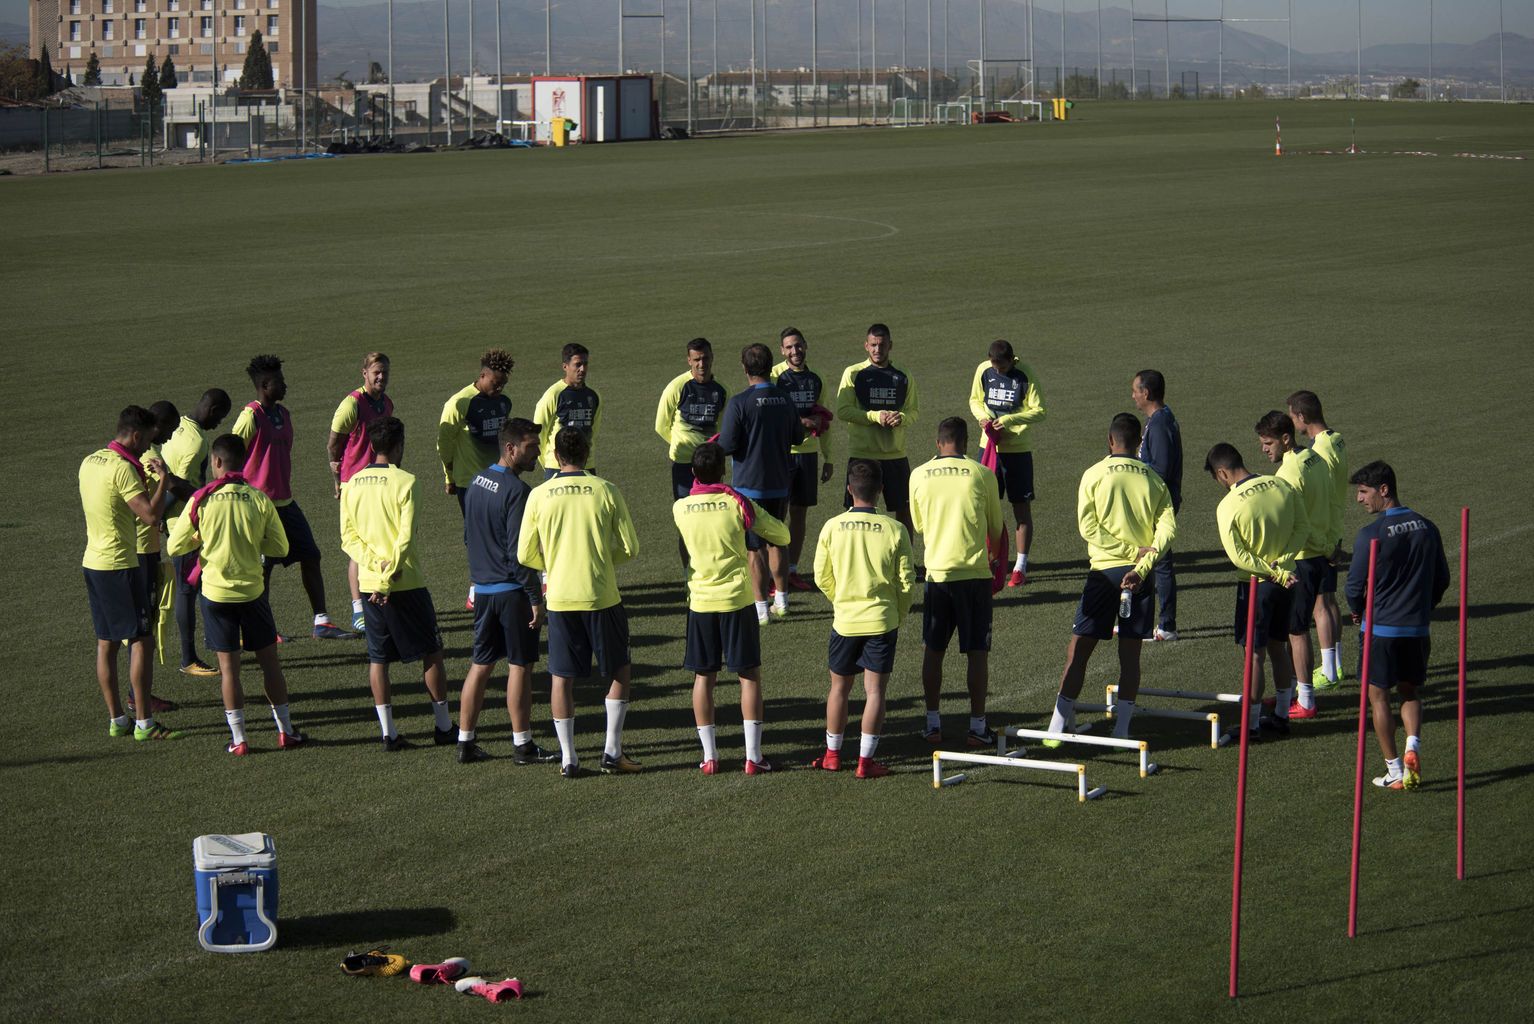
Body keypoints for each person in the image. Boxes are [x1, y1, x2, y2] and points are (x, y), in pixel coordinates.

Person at [166, 433, 307, 755]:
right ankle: (286, 731)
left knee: (229, 671)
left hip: (215, 596)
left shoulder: (201, 499)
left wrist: (201, 539)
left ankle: (240, 739)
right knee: (270, 665)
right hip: (253, 594)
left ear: (216, 462)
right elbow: (281, 547)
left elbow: (175, 546)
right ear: (243, 463)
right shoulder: (259, 499)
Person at [518, 427, 642, 778]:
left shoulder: (540, 495)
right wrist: (601, 559)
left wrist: (556, 564)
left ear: (556, 456)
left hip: (559, 598)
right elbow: (631, 547)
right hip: (601, 595)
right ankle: (612, 751)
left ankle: (569, 758)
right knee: (619, 668)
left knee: (561, 676)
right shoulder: (606, 490)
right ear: (587, 453)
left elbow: (525, 553)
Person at [1045, 414, 1177, 742]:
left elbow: (1087, 527)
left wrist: (1125, 550)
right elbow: (1168, 529)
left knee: (1078, 650)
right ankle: (1121, 730)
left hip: (1104, 574)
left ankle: (1055, 729)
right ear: (1139, 444)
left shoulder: (1093, 474)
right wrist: (1142, 562)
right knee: (1130, 657)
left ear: (1109, 440)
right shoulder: (1153, 479)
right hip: (1139, 578)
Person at [340, 416, 457, 753]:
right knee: (432, 653)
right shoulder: (407, 482)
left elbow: (349, 539)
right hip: (405, 582)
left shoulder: (352, 484)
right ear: (398, 445)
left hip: (368, 583)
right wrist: (390, 574)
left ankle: (388, 733)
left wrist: (375, 566)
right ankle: (443, 726)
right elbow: (405, 538)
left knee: (378, 659)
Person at [673, 442, 790, 774]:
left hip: (700, 601)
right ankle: (753, 757)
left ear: (693, 473)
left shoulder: (680, 508)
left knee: (703, 677)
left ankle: (710, 756)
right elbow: (780, 533)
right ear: (723, 471)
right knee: (748, 675)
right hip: (737, 601)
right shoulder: (738, 504)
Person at [232, 354, 356, 640]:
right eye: (279, 381)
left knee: (311, 555)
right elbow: (231, 458)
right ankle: (262, 628)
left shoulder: (283, 415)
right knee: (262, 569)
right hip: (258, 506)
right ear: (264, 385)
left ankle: (322, 622)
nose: (285, 386)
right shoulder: (250, 417)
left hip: (286, 502)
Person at [1345, 461, 1449, 790]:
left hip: (1380, 631)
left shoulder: (1370, 535)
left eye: (1364, 492)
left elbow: (1353, 585)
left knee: (1377, 697)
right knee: (1410, 691)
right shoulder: (1427, 527)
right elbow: (1442, 579)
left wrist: (1356, 610)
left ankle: (1393, 770)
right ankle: (1412, 747)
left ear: (1384, 490)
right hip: (1417, 629)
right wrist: (1423, 607)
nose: (1359, 499)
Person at [811, 460, 916, 779]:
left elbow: (820, 576)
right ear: (881, 491)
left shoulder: (831, 526)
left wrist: (840, 599)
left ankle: (832, 755)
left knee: (838, 689)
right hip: (882, 621)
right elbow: (907, 581)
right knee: (875, 692)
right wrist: (898, 612)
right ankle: (865, 762)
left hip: (845, 621)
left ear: (848, 490)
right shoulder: (896, 530)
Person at [459, 417, 554, 766]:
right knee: (520, 666)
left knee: (480, 665)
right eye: (531, 448)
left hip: (483, 590)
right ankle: (522, 744)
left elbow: (468, 536)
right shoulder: (518, 491)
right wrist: (534, 598)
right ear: (510, 448)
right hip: (512, 593)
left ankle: (465, 741)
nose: (538, 454)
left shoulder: (476, 481)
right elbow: (520, 554)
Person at [80, 406, 177, 741]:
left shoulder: (90, 460)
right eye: (148, 438)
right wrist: (163, 477)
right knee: (141, 640)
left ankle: (117, 720)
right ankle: (144, 723)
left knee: (106, 642)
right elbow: (150, 516)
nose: (149, 444)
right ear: (136, 435)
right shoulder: (123, 469)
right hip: (120, 564)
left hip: (92, 561)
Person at [909, 417, 1004, 748]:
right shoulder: (982, 473)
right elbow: (996, 528)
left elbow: (919, 526)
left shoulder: (918, 475)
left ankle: (932, 723)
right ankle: (977, 727)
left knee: (933, 651)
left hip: (937, 576)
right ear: (965, 443)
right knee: (977, 653)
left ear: (939, 443)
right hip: (975, 576)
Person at [1205, 443, 1306, 741]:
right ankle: (1283, 714)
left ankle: (1251, 726)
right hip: (1287, 580)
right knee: (1279, 646)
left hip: (1256, 587)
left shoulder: (1229, 504)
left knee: (1255, 655)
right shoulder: (1281, 484)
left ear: (1222, 473)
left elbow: (1238, 557)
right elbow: (1302, 528)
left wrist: (1271, 571)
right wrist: (1285, 564)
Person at [717, 342, 805, 624]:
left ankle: (760, 609)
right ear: (770, 367)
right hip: (779, 483)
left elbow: (727, 444)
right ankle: (782, 599)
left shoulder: (739, 403)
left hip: (748, 488)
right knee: (777, 540)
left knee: (753, 548)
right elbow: (798, 437)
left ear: (745, 368)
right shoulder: (785, 399)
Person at [1255, 410, 1331, 720]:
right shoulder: (1314, 459)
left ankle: (1307, 701)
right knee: (1301, 625)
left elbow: (1290, 522)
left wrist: (1279, 557)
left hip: (1301, 558)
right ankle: (1293, 692)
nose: (1264, 449)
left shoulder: (1287, 474)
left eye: (1268, 442)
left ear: (1286, 439)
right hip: (1321, 550)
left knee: (1296, 630)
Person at [160, 388, 231, 677]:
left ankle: (213, 641)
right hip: (184, 527)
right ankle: (188, 658)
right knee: (188, 589)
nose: (219, 424)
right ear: (212, 410)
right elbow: (177, 487)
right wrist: (157, 517)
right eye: (221, 417)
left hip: (177, 524)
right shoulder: (197, 441)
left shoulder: (178, 428)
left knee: (198, 585)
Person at [438, 348, 516, 609]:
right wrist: (448, 476)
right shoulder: (460, 403)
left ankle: (509, 581)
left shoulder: (504, 402)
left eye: (504, 383)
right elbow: (444, 444)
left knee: (508, 529)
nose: (500, 387)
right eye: (496, 382)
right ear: (483, 375)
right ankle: (476, 588)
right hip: (470, 482)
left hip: (501, 479)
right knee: (476, 534)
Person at [969, 339, 1046, 588]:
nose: (998, 371)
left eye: (1001, 368)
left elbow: (1040, 410)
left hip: (1017, 451)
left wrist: (1011, 420)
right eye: (995, 367)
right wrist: (983, 417)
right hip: (989, 448)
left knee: (1020, 508)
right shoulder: (983, 370)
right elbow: (974, 400)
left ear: (1011, 360)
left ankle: (1020, 566)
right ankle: (986, 561)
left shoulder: (1025, 374)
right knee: (981, 506)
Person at [328, 352, 394, 633]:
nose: (381, 377)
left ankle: (377, 600)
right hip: (354, 486)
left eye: (385, 372)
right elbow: (333, 447)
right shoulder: (351, 405)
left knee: (378, 541)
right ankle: (359, 609)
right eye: (376, 372)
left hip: (379, 484)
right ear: (364, 373)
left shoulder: (387, 404)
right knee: (357, 547)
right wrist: (337, 482)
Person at [836, 323, 920, 538]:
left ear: (890, 345)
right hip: (862, 455)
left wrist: (900, 418)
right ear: (866, 345)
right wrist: (876, 416)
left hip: (895, 454)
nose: (877, 350)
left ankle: (907, 563)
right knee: (855, 512)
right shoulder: (853, 373)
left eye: (882, 345)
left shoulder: (903, 374)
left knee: (903, 511)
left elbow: (913, 412)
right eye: (873, 345)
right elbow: (843, 411)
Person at [1287, 390, 1348, 690]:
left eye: (1291, 416)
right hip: (1333, 526)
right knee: (1330, 600)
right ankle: (1335, 665)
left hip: (1322, 530)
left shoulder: (1320, 449)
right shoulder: (1336, 438)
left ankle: (1329, 670)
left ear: (1301, 417)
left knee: (1320, 605)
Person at [772, 327, 836, 592]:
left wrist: (828, 457)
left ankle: (792, 570)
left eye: (798, 346)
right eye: (788, 347)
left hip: (808, 455)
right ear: (782, 350)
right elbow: (770, 412)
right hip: (782, 454)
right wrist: (800, 421)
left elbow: (824, 417)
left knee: (799, 513)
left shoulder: (816, 377)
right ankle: (773, 577)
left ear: (805, 346)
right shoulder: (775, 375)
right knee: (777, 515)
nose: (794, 351)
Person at [654, 338, 728, 567]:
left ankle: (711, 566)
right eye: (696, 359)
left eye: (705, 358)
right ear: (689, 361)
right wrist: (680, 444)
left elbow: (723, 428)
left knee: (714, 518)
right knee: (687, 521)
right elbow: (661, 425)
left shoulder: (722, 390)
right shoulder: (677, 387)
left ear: (712, 357)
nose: (701, 364)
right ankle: (689, 574)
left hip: (712, 465)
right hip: (684, 463)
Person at [1132, 369, 1182, 640]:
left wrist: (1135, 470)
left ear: (1146, 393)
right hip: (1157, 502)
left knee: (1159, 561)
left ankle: (1166, 625)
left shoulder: (1160, 424)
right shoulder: (1159, 420)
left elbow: (1161, 469)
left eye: (1135, 391)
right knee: (1152, 559)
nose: (1133, 396)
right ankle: (1154, 622)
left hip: (1159, 504)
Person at [533, 343, 601, 479]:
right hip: (557, 467)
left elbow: (593, 430)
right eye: (578, 364)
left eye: (585, 364)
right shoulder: (554, 394)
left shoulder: (593, 395)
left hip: (586, 465)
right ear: (565, 366)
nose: (582, 369)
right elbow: (538, 432)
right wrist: (550, 463)